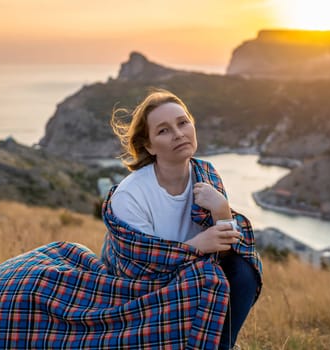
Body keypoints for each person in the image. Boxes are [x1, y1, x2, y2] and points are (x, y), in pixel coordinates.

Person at [105, 88, 262, 349]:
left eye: (183, 122)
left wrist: (222, 210)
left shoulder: (206, 175)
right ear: (149, 146)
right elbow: (139, 276)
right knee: (205, 275)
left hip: (192, 275)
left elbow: (227, 250)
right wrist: (198, 245)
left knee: (244, 270)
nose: (179, 134)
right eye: (163, 130)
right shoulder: (130, 195)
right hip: (137, 289)